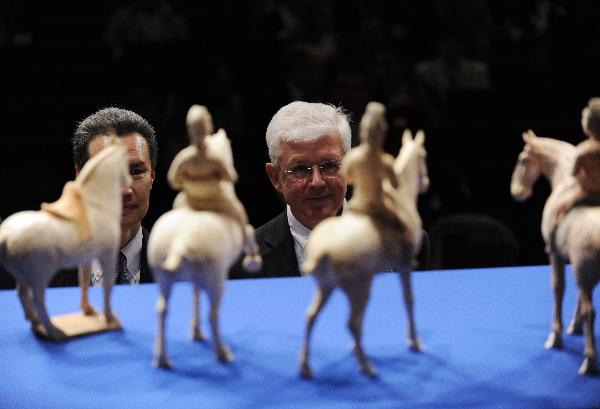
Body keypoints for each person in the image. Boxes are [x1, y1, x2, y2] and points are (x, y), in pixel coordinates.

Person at [230, 101, 429, 278]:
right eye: (300, 169)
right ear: (275, 178)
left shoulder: (404, 241)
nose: (317, 182)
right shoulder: (240, 260)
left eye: (329, 165)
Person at [51, 107, 157, 286]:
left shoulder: (186, 269)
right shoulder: (38, 272)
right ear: (81, 176)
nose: (125, 191)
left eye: (136, 171)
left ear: (152, 176)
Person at [167, 104, 260, 269]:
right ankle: (175, 253)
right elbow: (230, 177)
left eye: (199, 129)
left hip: (207, 198)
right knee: (239, 215)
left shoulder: (202, 157)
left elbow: (174, 181)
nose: (198, 133)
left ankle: (251, 250)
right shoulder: (191, 157)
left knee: (239, 215)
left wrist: (189, 181)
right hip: (196, 199)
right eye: (196, 129)